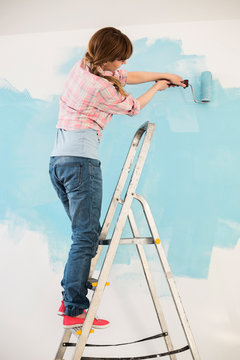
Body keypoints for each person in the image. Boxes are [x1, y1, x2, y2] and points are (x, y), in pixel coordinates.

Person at [49, 27, 186, 330]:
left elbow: (125, 77)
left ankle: (68, 298)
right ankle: (74, 309)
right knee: (86, 237)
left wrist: (161, 75)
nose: (122, 66)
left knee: (82, 236)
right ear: (108, 58)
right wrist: (157, 89)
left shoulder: (84, 66)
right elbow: (133, 107)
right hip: (81, 162)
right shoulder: (100, 88)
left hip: (58, 162)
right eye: (120, 60)